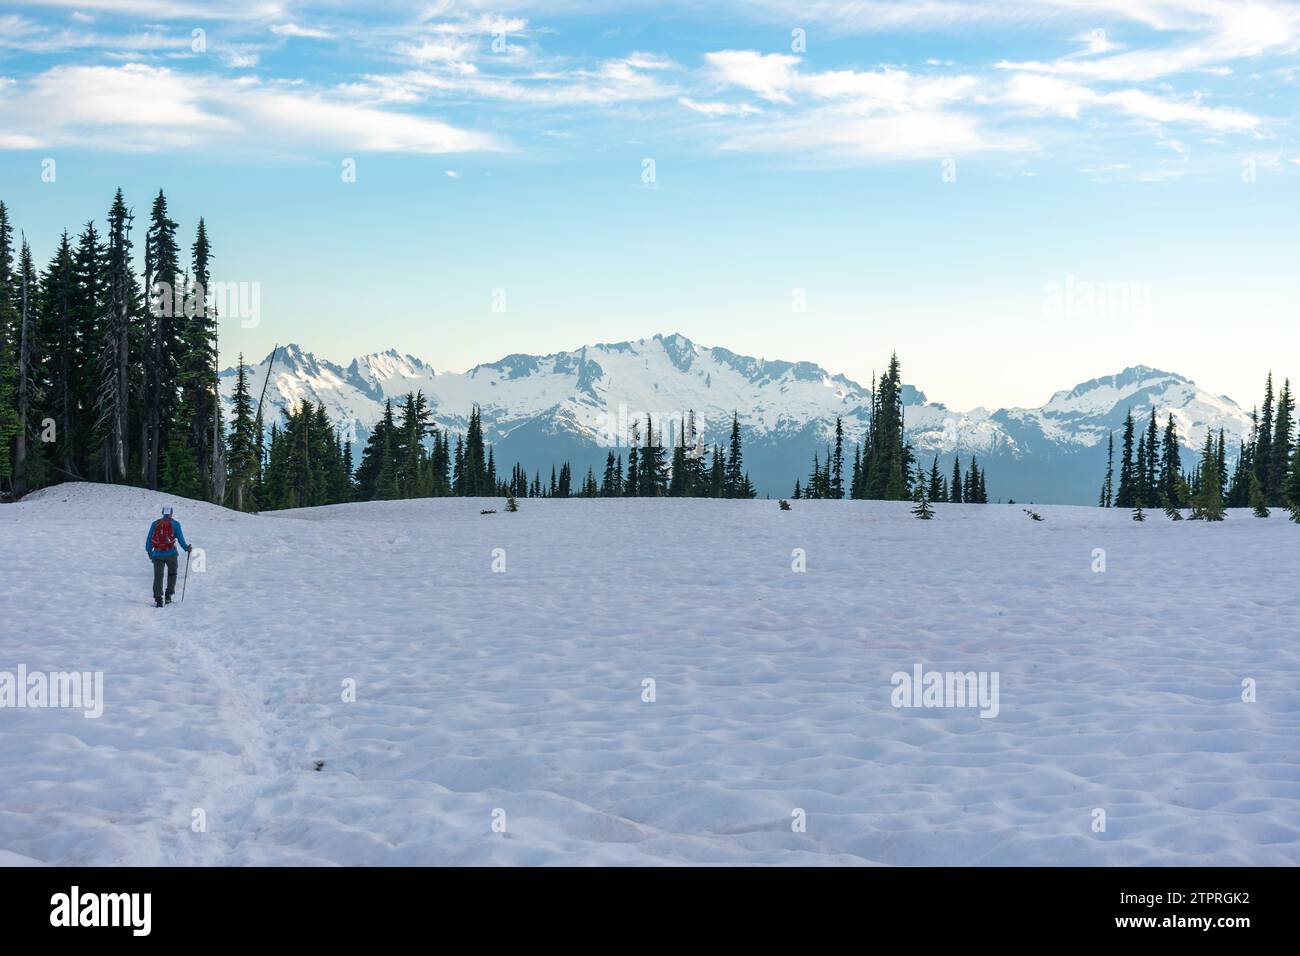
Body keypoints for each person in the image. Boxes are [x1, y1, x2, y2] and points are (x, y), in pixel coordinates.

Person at [145, 506, 192, 607]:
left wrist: (149, 552)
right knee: (172, 574)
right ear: (171, 513)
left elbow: (149, 539)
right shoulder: (175, 524)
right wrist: (186, 548)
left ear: (162, 513)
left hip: (157, 554)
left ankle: (158, 599)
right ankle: (168, 596)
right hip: (171, 554)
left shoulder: (155, 524)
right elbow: (180, 539)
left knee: (158, 576)